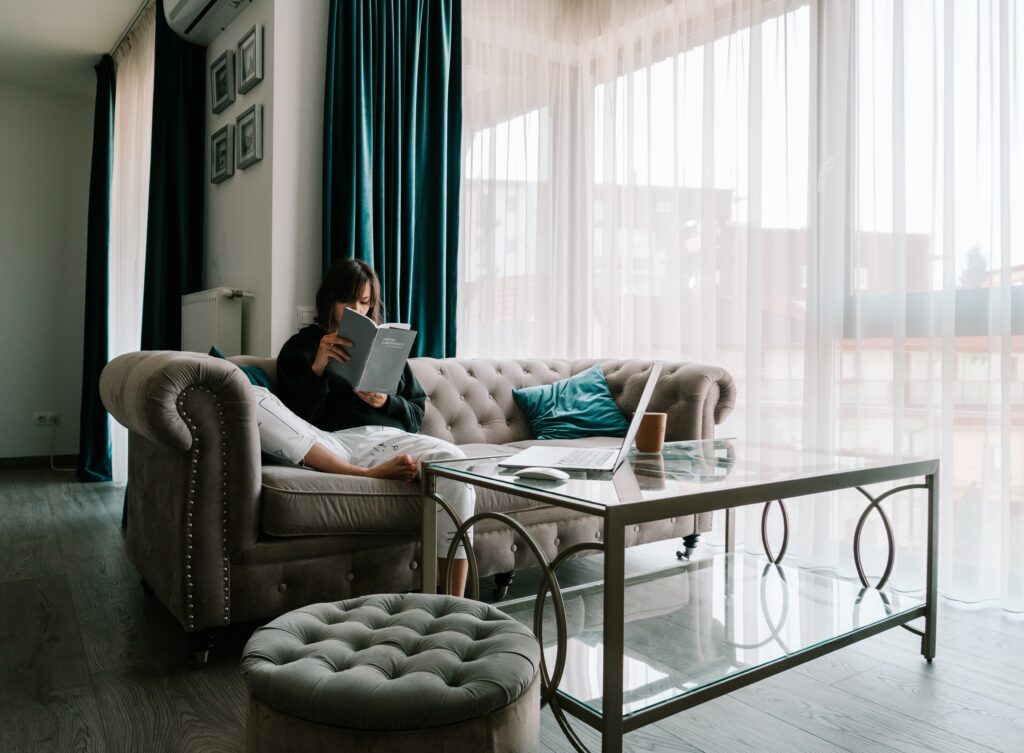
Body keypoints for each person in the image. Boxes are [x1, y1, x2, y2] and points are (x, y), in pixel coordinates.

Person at [257, 257, 474, 596]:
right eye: (348, 300)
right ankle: (364, 475)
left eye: (365, 302)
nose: (357, 310)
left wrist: (385, 402)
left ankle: (453, 605)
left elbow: (417, 413)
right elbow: (296, 418)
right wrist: (317, 368)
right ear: (329, 299)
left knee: (456, 465)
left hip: (388, 443)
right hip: (327, 444)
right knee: (253, 397)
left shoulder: (386, 350)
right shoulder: (300, 347)